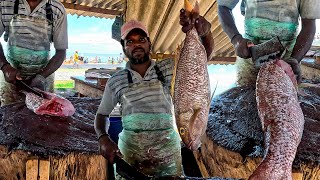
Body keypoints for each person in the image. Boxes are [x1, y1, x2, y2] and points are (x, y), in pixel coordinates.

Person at [94, 11, 214, 177]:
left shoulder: (168, 68)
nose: (137, 44)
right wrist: (103, 138)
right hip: (130, 157)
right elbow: (102, 115)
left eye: (141, 40)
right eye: (130, 41)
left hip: (168, 157)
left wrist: (205, 33)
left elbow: (199, 62)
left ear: (149, 43)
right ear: (123, 47)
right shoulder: (116, 80)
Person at [218, 0, 319, 86]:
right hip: (250, 54)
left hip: (288, 55)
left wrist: (294, 60)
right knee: (246, 95)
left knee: (283, 99)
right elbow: (223, 6)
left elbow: (309, 25)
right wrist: (236, 39)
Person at [0, 0, 68, 106]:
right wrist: (4, 66)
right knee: (10, 114)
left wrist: (41, 77)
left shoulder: (57, 9)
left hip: (44, 78)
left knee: (43, 114)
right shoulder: (5, 4)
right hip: (11, 78)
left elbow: (61, 52)